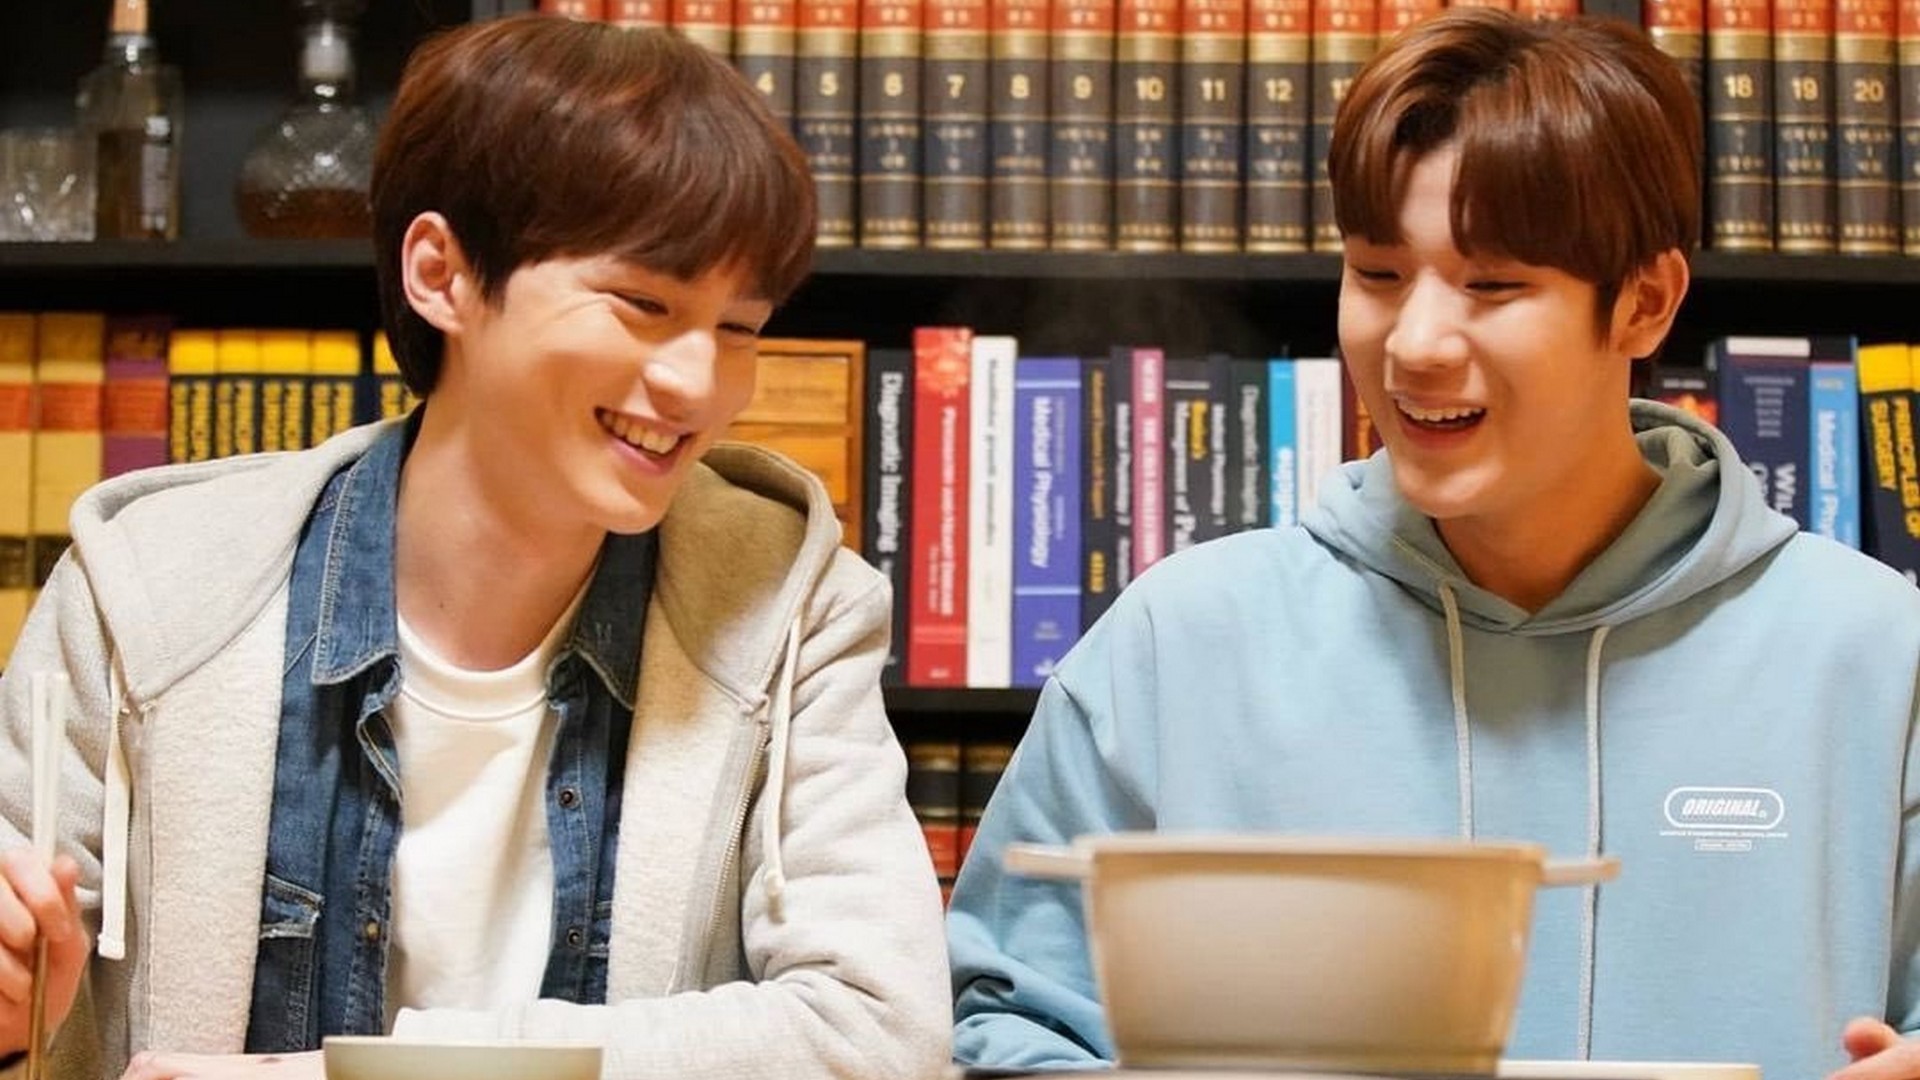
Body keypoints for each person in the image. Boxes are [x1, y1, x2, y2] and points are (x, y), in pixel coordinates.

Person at [948, 9, 1920, 1080]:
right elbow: (1006, 1029)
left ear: (1644, 304)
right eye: (1378, 274)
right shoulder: (1176, 643)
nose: (1413, 345)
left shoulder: (1878, 653)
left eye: (1491, 286)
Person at [0, 15, 950, 1080]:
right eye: (642, 304)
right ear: (441, 273)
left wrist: (370, 1074)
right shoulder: (148, 590)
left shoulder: (791, 608)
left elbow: (881, 1033)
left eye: (740, 328)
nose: (698, 385)